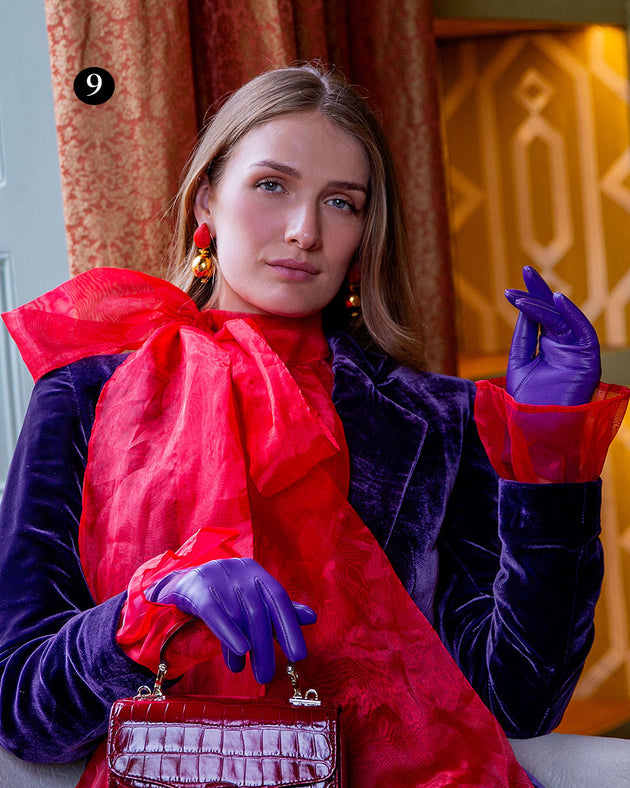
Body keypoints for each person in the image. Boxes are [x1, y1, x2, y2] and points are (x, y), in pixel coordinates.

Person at [0, 63, 627, 788]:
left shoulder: (437, 419)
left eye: (341, 203)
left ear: (366, 231)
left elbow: (520, 698)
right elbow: (21, 707)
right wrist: (151, 607)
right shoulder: (87, 393)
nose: (304, 231)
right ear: (208, 196)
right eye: (272, 185)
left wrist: (549, 447)